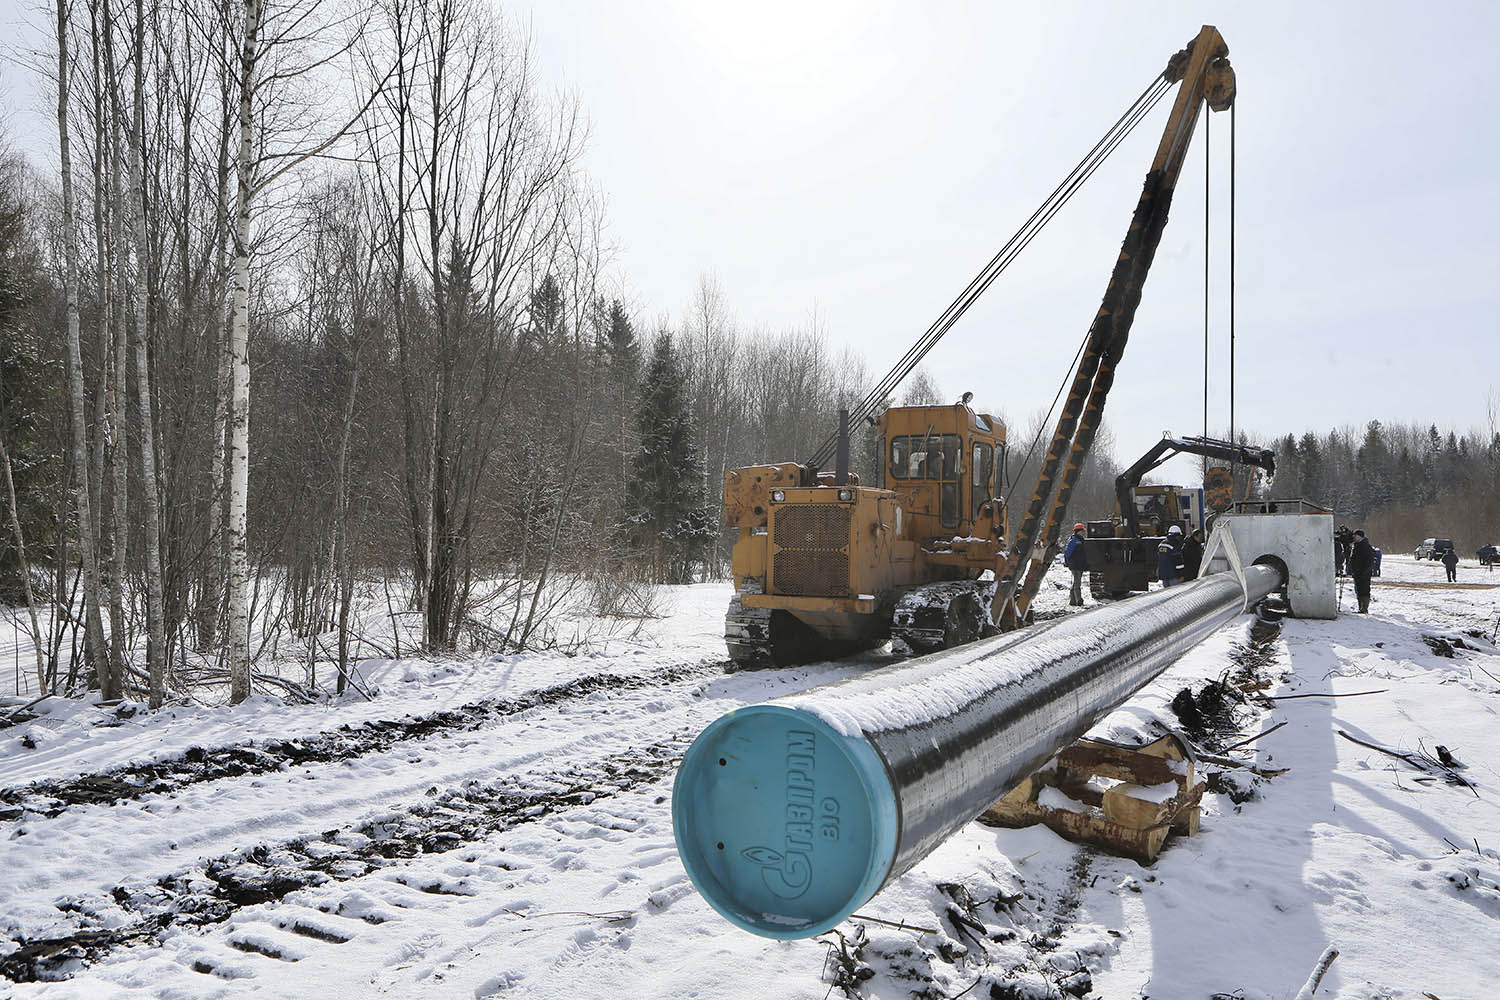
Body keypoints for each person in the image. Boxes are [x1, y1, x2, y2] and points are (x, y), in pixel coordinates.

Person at [1347, 528, 1375, 613]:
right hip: (1358, 572)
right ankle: (1361, 607)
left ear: (1360, 536)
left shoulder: (1365, 546)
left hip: (1364, 573)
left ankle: (1364, 608)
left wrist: (1364, 571)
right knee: (1358, 589)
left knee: (1364, 589)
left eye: (1355, 535)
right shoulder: (1357, 545)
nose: (1354, 537)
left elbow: (1369, 561)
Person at [1064, 523, 1088, 607]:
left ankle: (1073, 601)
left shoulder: (1081, 540)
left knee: (1075, 582)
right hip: (1075, 564)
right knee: (1077, 582)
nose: (1083, 533)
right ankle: (1079, 600)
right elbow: (1067, 553)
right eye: (1082, 531)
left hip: (1080, 564)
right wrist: (1066, 562)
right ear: (1078, 531)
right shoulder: (1074, 541)